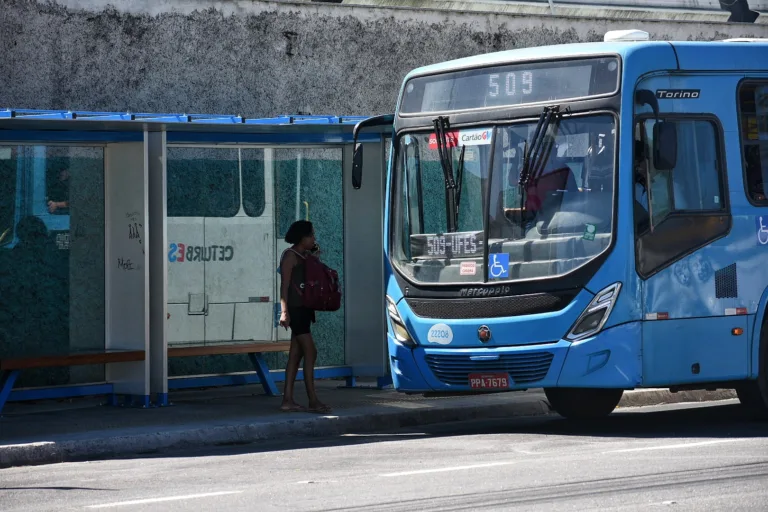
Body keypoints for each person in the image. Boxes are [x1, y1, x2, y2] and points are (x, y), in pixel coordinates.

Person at [278, 220, 332, 414]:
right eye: (311, 235)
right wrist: (284, 312)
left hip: (305, 309)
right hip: (296, 310)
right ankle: (313, 399)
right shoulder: (290, 256)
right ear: (302, 237)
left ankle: (288, 399)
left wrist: (314, 257)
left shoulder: (306, 256)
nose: (314, 239)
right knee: (311, 352)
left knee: (295, 355)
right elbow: (284, 286)